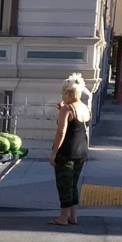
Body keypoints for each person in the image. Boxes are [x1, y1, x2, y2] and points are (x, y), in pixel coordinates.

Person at [48, 73, 91, 226]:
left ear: (68, 93)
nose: (62, 96)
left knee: (64, 185)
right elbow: (79, 129)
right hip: (81, 152)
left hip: (66, 152)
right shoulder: (85, 108)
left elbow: (61, 132)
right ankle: (73, 216)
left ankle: (63, 217)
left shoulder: (67, 109)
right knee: (73, 185)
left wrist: (54, 153)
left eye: (63, 93)